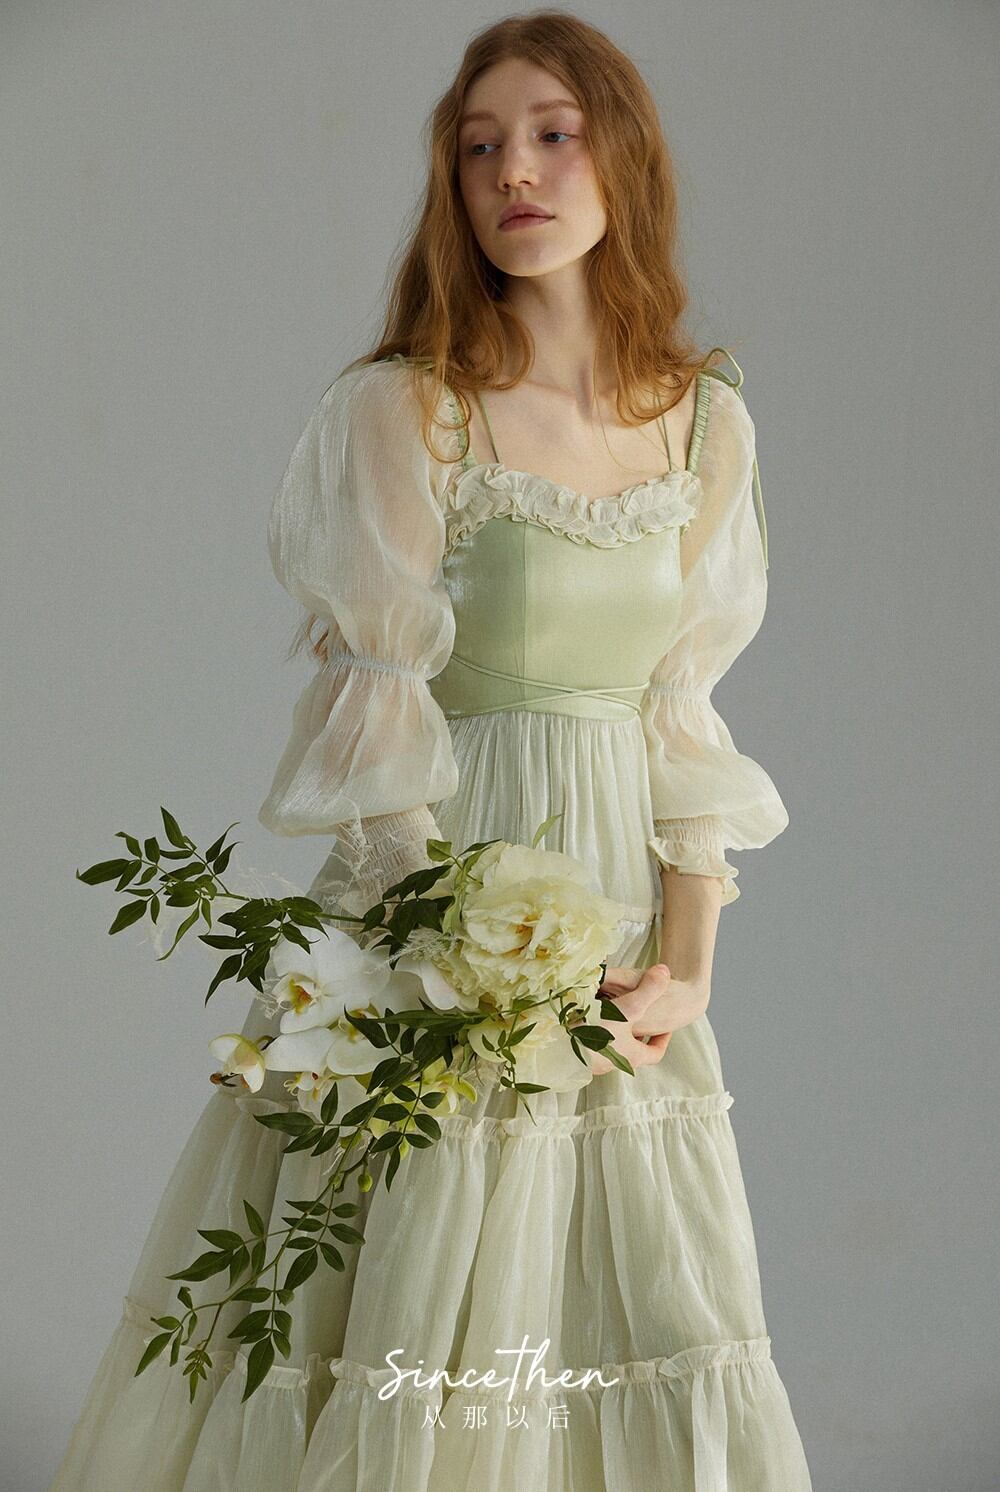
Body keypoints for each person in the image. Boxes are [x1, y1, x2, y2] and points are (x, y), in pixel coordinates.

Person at [50, 12, 813, 1489]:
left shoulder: (705, 426)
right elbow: (381, 717)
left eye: (552, 135)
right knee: (416, 1282)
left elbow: (682, 713)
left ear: (625, 160)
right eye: (478, 148)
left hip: (618, 945)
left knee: (635, 1296)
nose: (513, 172)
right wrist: (455, 959)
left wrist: (684, 968)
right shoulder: (408, 408)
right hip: (440, 920)